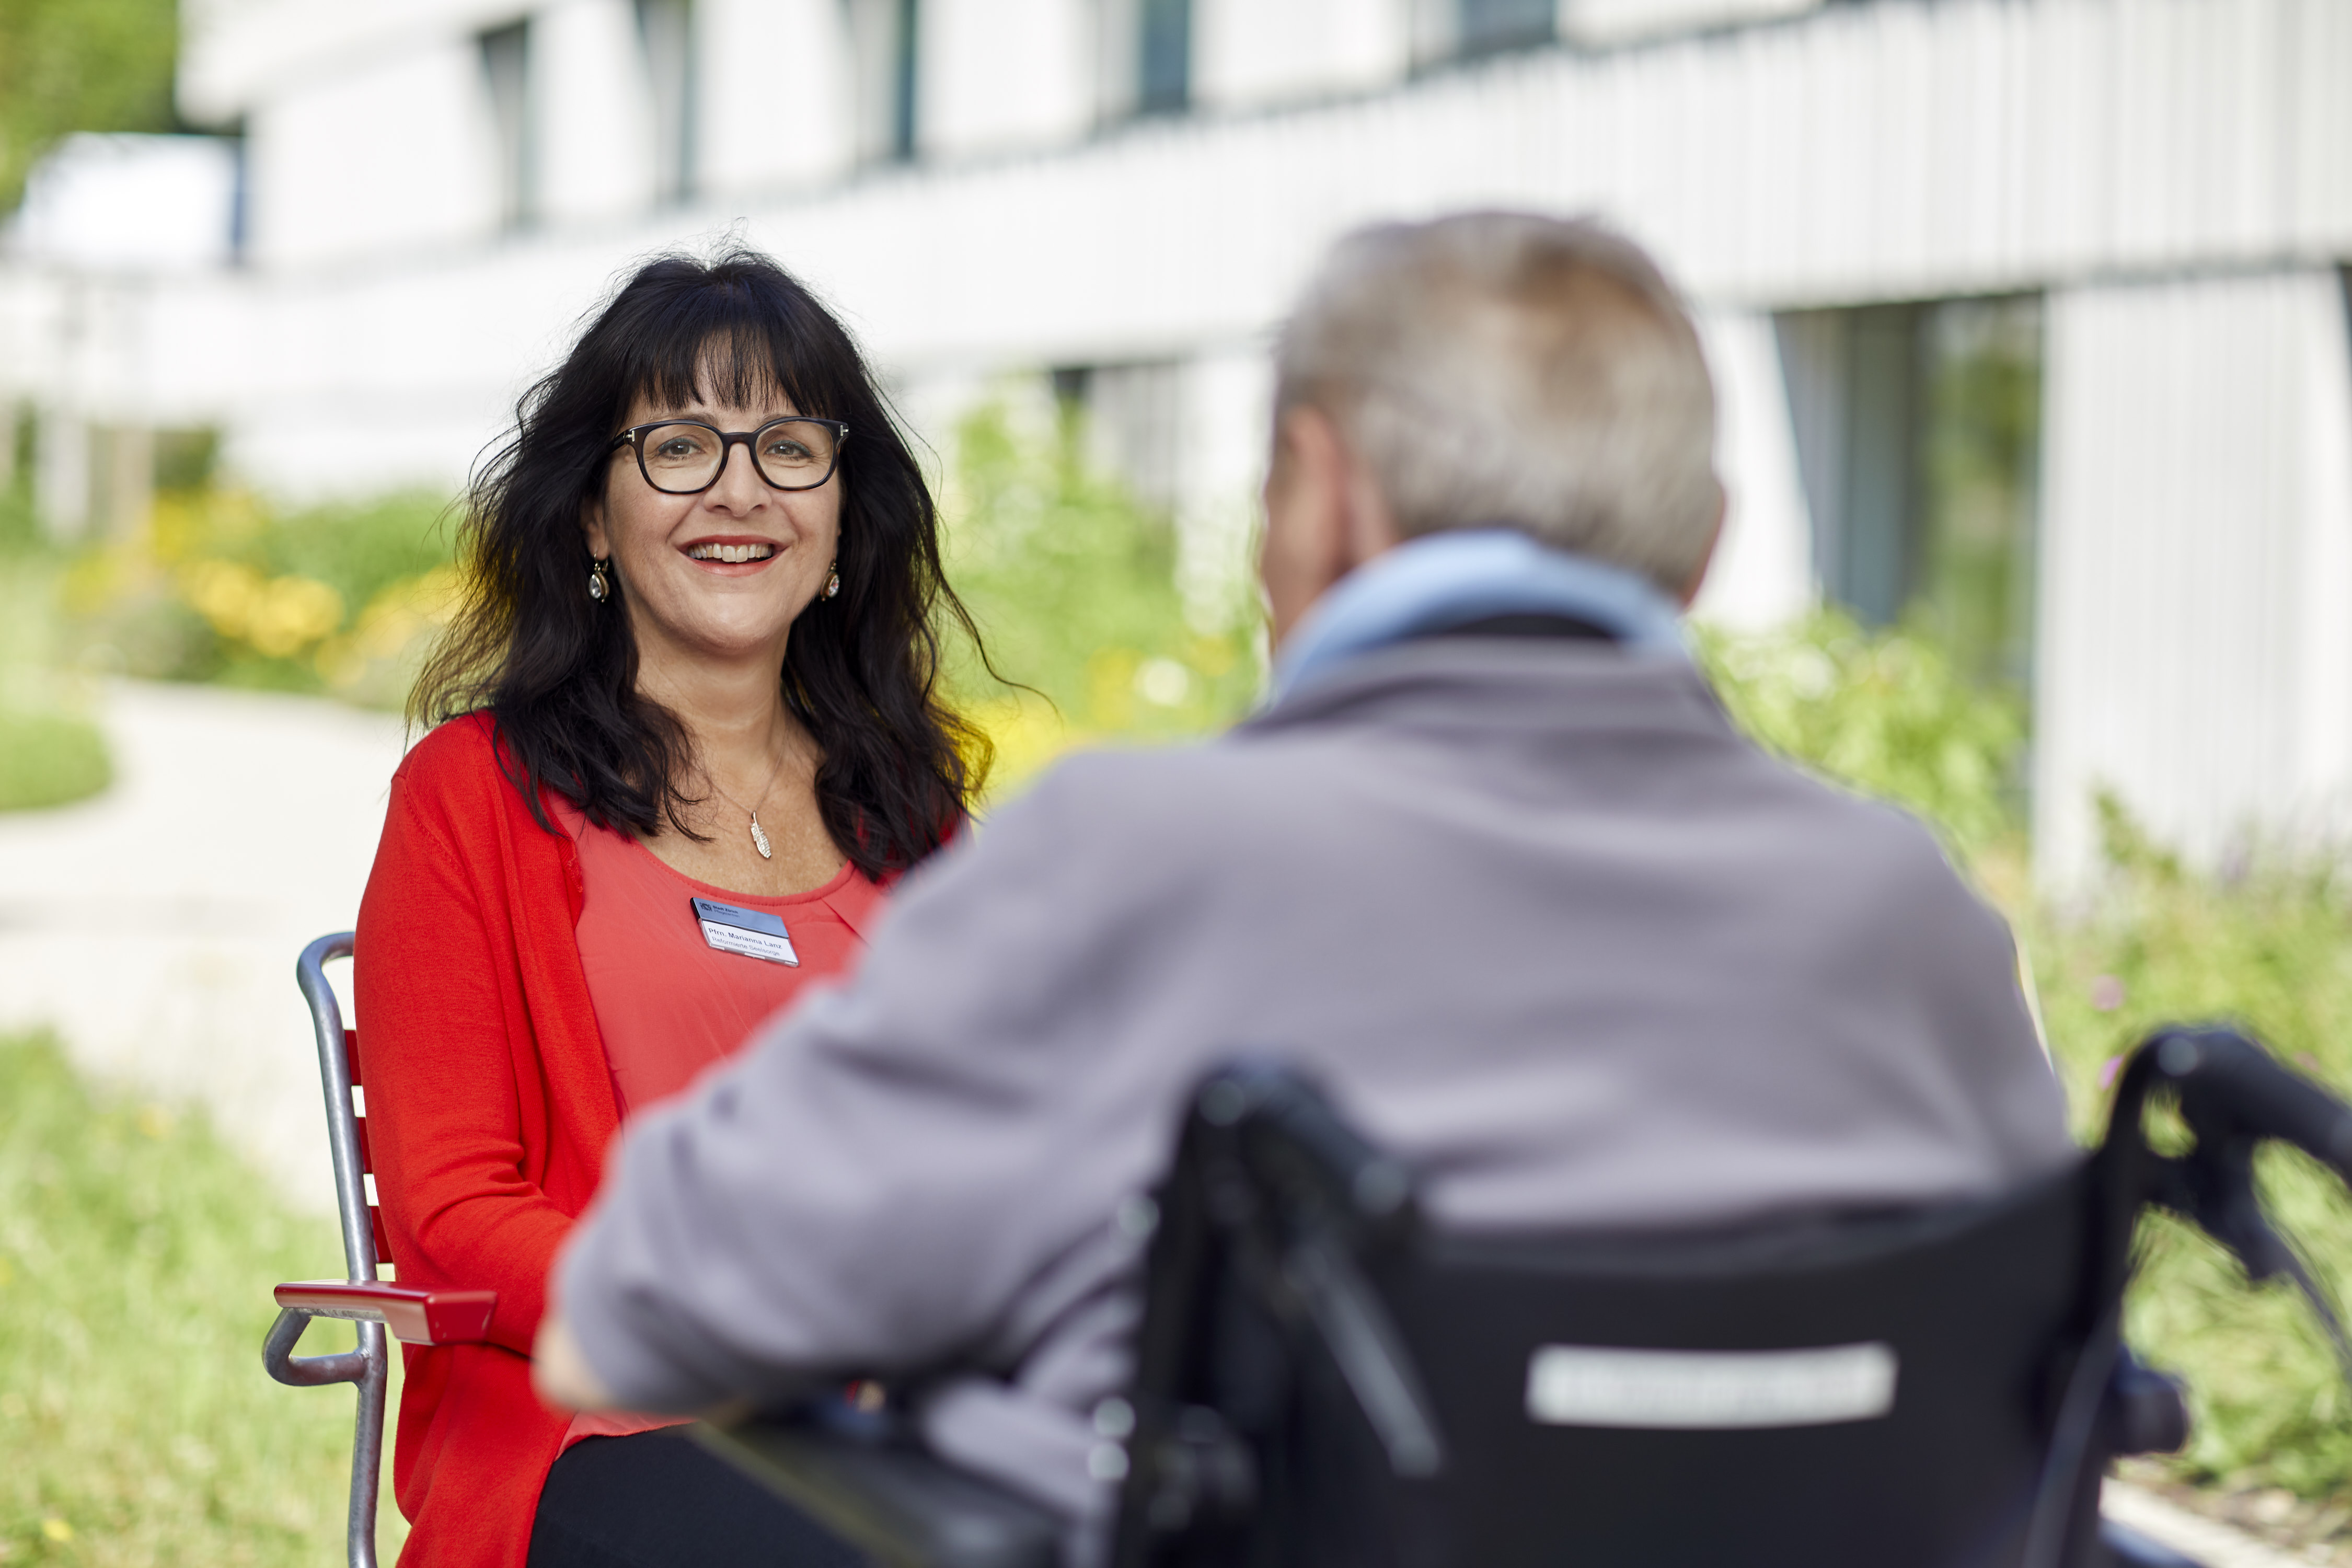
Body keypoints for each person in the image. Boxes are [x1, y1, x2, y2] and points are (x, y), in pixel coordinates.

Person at [533, 213, 2077, 1563]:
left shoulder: (1136, 861)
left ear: (1318, 494)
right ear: (1703, 548)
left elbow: (636, 1309)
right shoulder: (1913, 918)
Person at [353, 248, 983, 1568]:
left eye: (789, 447)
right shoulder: (474, 797)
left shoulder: (917, 819)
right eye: (680, 446)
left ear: (841, 519)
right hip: (606, 1436)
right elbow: (456, 1210)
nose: (740, 490)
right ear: (592, 514)